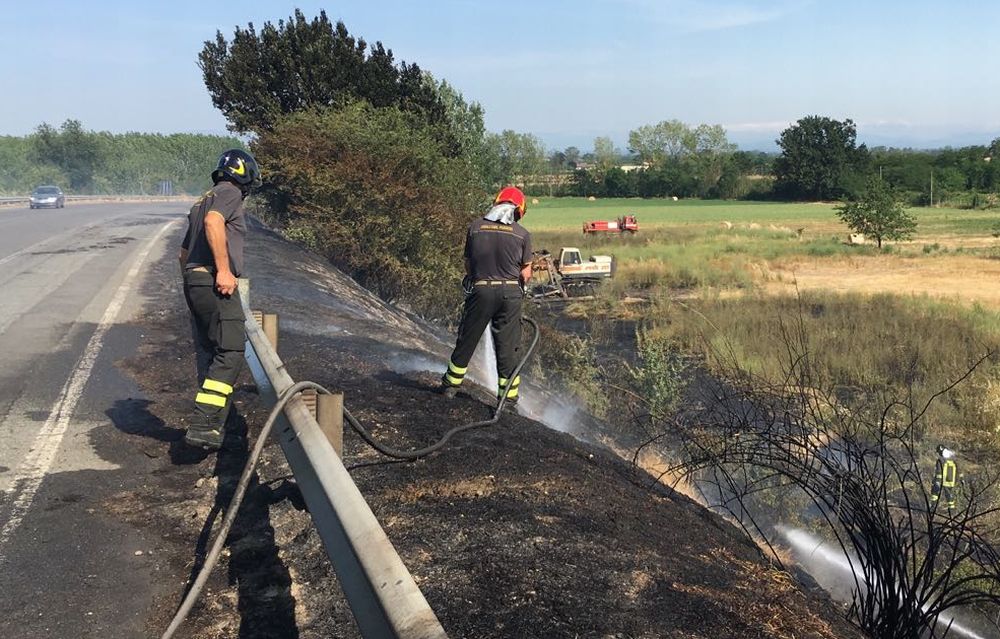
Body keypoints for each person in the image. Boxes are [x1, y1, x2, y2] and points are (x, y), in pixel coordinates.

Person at [178, 149, 260, 450]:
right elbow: (214, 224)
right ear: (245, 177)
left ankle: (213, 426)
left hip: (195, 280)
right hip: (215, 281)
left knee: (213, 352)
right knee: (231, 351)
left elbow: (183, 253)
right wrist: (223, 270)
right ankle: (203, 425)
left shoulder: (204, 199)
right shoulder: (229, 192)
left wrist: (191, 285)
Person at [441, 186, 533, 410]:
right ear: (519, 210)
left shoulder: (475, 227)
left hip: (481, 289)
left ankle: (451, 386)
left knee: (468, 338)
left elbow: (469, 264)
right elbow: (525, 273)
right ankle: (508, 400)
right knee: (508, 346)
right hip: (511, 294)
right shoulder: (522, 234)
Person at [930, 444, 958, 510]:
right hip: (950, 481)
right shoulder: (953, 460)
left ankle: (932, 508)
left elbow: (939, 471)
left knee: (935, 492)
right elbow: (958, 470)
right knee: (949, 496)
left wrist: (937, 482)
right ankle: (952, 510)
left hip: (942, 480)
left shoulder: (940, 460)